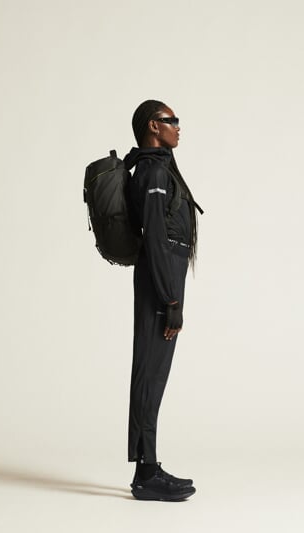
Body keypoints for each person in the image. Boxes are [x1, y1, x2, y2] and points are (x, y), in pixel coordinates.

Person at [123, 99, 203, 501]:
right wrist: (171, 300)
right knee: (150, 373)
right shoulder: (154, 171)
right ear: (154, 126)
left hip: (165, 273)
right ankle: (146, 473)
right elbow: (155, 238)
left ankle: (148, 468)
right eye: (172, 120)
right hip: (161, 278)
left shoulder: (159, 167)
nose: (178, 127)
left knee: (154, 373)